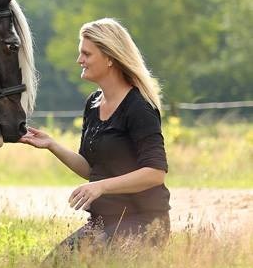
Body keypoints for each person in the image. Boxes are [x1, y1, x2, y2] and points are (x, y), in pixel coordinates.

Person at [20, 18, 170, 251]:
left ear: (110, 57)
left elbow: (155, 173)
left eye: (86, 54)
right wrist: (52, 144)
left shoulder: (139, 106)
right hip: (102, 222)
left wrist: (101, 187)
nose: (79, 60)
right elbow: (91, 170)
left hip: (143, 223)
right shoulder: (93, 104)